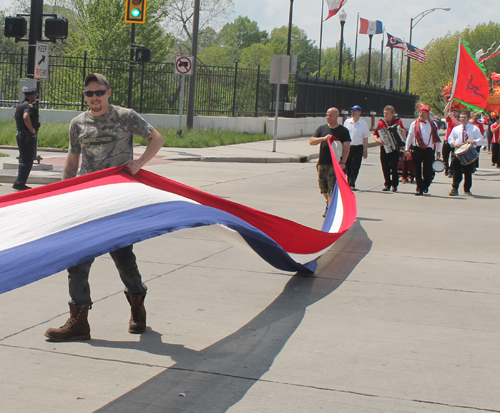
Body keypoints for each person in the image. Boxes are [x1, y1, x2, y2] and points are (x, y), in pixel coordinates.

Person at [44, 73, 165, 341]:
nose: (94, 98)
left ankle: (137, 307)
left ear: (108, 92)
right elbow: (72, 159)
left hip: (118, 200)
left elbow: (156, 139)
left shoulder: (125, 116)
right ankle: (79, 321)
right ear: (85, 95)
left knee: (123, 259)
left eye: (99, 92)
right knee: (77, 260)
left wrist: (139, 164)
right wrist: (63, 193)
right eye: (89, 93)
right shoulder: (78, 123)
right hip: (88, 200)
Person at [309, 107, 351, 217]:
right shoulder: (322, 129)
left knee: (333, 186)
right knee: (323, 187)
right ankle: (329, 203)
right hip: (322, 162)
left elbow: (346, 147)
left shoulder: (343, 131)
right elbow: (312, 141)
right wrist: (323, 138)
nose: (328, 117)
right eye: (327, 115)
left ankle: (331, 207)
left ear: (337, 116)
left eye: (331, 115)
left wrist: (343, 162)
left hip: (335, 164)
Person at [405, 105, 441, 196]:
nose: (421, 114)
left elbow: (437, 138)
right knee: (417, 170)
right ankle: (419, 188)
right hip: (417, 149)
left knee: (428, 170)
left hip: (429, 150)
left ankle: (426, 185)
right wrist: (406, 149)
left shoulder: (433, 124)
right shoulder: (415, 123)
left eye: (423, 112)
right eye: (420, 112)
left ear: (428, 114)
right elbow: (410, 136)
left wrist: (438, 150)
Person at [448, 110, 483, 196]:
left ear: (468, 118)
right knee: (457, 171)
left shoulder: (474, 128)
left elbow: (481, 139)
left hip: (469, 152)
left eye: (464, 117)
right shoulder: (456, 129)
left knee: (468, 172)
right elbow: (450, 138)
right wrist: (453, 143)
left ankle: (467, 189)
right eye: (461, 117)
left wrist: (473, 142)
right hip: (458, 152)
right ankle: (454, 188)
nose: (462, 119)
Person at [373, 105, 406, 192]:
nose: (385, 115)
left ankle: (394, 185)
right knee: (385, 166)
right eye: (384, 113)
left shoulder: (398, 121)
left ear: (392, 114)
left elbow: (402, 131)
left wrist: (402, 132)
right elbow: (375, 133)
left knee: (394, 166)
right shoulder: (381, 122)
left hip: (395, 148)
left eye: (386, 113)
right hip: (384, 147)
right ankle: (387, 184)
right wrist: (377, 140)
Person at [12, 87, 40, 191]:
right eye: (34, 95)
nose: (35, 97)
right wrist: (31, 129)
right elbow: (25, 117)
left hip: (21, 135)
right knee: (27, 160)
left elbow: (15, 116)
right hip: (27, 136)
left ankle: (20, 182)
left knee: (24, 159)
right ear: (31, 95)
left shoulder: (20, 105)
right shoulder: (29, 106)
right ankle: (19, 183)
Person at [343, 105, 370, 191]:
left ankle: (351, 183)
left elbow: (365, 138)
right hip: (348, 147)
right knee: (347, 165)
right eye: (352, 111)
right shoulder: (347, 122)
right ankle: (347, 182)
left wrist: (365, 149)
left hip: (358, 147)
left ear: (359, 113)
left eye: (355, 111)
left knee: (355, 166)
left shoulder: (363, 124)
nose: (353, 113)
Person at [443, 100, 460, 178]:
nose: (454, 113)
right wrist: (449, 103)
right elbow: (445, 111)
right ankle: (446, 168)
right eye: (453, 111)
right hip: (447, 140)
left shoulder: (459, 120)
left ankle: (451, 171)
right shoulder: (449, 119)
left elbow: (458, 125)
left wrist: (453, 117)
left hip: (455, 142)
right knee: (445, 157)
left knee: (453, 157)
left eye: (456, 112)